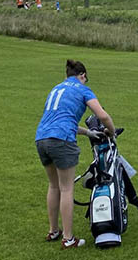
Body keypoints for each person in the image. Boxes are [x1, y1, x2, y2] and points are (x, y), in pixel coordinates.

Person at [35, 59, 117, 249]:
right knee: (66, 188)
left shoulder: (56, 89)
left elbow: (61, 119)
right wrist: (111, 132)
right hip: (62, 140)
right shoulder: (82, 89)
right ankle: (68, 238)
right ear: (82, 76)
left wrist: (88, 132)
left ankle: (53, 231)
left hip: (42, 139)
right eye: (85, 79)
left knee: (53, 185)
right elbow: (102, 115)